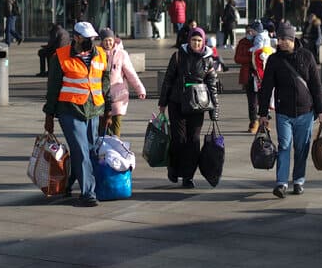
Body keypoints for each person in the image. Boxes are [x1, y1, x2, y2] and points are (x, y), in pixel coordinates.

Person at [43, 21, 110, 207]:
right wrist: (49, 116)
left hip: (94, 109)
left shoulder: (101, 55)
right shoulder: (61, 56)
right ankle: (88, 193)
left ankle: (68, 182)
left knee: (88, 151)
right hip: (70, 110)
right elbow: (53, 88)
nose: (92, 42)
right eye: (88, 39)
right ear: (77, 37)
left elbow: (105, 83)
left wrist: (108, 109)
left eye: (93, 38)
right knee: (81, 150)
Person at [257, 23, 322, 199]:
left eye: (283, 39)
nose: (279, 42)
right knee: (284, 147)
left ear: (291, 39)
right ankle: (281, 183)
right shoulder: (274, 60)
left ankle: (298, 181)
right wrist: (263, 114)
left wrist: (321, 111)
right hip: (284, 113)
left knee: (302, 149)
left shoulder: (307, 56)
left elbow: (316, 86)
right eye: (278, 39)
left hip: (306, 112)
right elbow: (266, 88)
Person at [158, 27, 221, 188]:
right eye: (194, 40)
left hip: (197, 104)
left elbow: (212, 85)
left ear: (203, 42)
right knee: (179, 138)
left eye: (199, 41)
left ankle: (188, 176)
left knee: (193, 140)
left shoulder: (208, 59)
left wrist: (215, 110)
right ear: (189, 40)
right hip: (177, 102)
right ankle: (173, 168)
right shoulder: (179, 55)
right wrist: (163, 103)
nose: (196, 43)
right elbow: (168, 79)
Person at [99, 28, 147, 137]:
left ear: (114, 40)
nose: (108, 43)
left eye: (110, 40)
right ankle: (102, 151)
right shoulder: (97, 53)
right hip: (101, 96)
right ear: (101, 41)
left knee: (116, 128)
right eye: (105, 40)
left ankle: (116, 150)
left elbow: (131, 73)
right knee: (102, 129)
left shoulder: (121, 54)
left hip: (118, 96)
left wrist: (140, 89)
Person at [235, 20, 268, 133]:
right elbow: (237, 58)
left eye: (251, 31)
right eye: (248, 31)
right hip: (249, 75)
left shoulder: (263, 40)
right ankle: (253, 121)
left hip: (262, 75)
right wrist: (252, 59)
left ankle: (264, 122)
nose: (250, 33)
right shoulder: (243, 42)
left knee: (264, 99)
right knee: (252, 101)